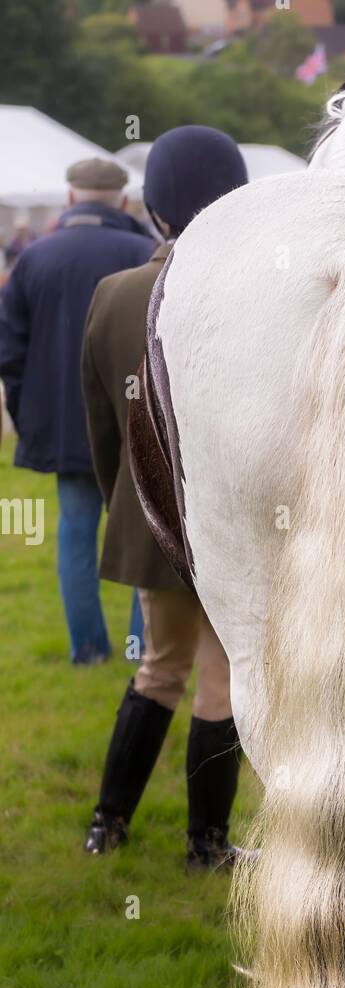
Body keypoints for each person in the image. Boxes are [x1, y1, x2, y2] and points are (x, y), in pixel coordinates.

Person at [80, 126, 249, 867]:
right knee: (221, 679)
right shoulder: (255, 293)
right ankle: (205, 845)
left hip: (151, 516)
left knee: (158, 668)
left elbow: (103, 432)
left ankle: (106, 826)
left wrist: (128, 503)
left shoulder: (115, 294)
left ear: (152, 208)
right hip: (239, 524)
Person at [0, 159, 153, 664]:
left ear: (69, 200)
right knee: (144, 537)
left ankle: (87, 651)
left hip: (65, 425)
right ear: (123, 202)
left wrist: (27, 420)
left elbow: (10, 353)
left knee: (75, 528)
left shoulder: (33, 258)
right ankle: (142, 652)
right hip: (136, 419)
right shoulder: (144, 254)